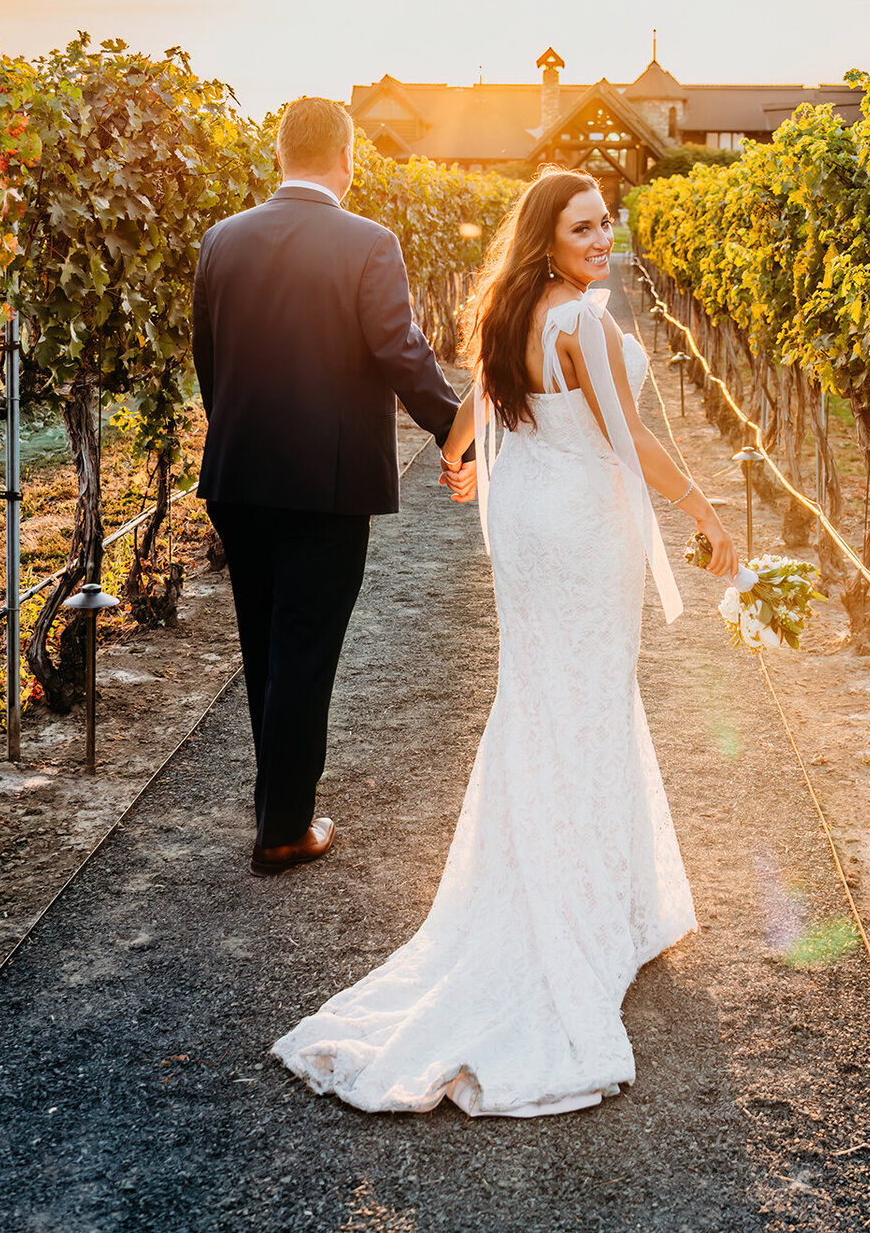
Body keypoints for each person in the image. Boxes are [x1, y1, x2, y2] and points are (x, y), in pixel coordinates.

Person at [273, 167, 736, 1116]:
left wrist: (453, 458)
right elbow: (628, 439)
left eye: (607, 221)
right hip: (582, 532)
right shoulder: (584, 323)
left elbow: (475, 404)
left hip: (534, 530)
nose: (602, 237)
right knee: (592, 698)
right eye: (582, 226)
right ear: (546, 236)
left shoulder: (506, 311)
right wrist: (703, 506)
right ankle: (583, 909)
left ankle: (581, 888)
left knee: (543, 696)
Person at [192, 97, 471, 877]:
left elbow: (207, 361)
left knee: (266, 647)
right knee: (305, 651)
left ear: (278, 154)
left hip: (240, 479)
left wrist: (239, 445)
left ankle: (274, 804)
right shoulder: (369, 242)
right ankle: (282, 829)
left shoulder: (221, 239)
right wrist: (461, 435)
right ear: (348, 158)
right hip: (328, 483)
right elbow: (402, 355)